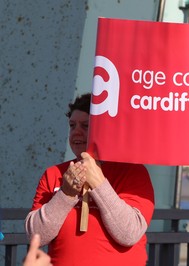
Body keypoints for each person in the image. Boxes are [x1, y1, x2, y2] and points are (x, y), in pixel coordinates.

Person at [25, 93, 155, 266]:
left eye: (85, 126)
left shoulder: (133, 172)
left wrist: (99, 184)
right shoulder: (53, 173)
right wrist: (66, 194)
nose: (76, 131)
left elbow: (129, 233)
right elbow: (36, 236)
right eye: (72, 125)